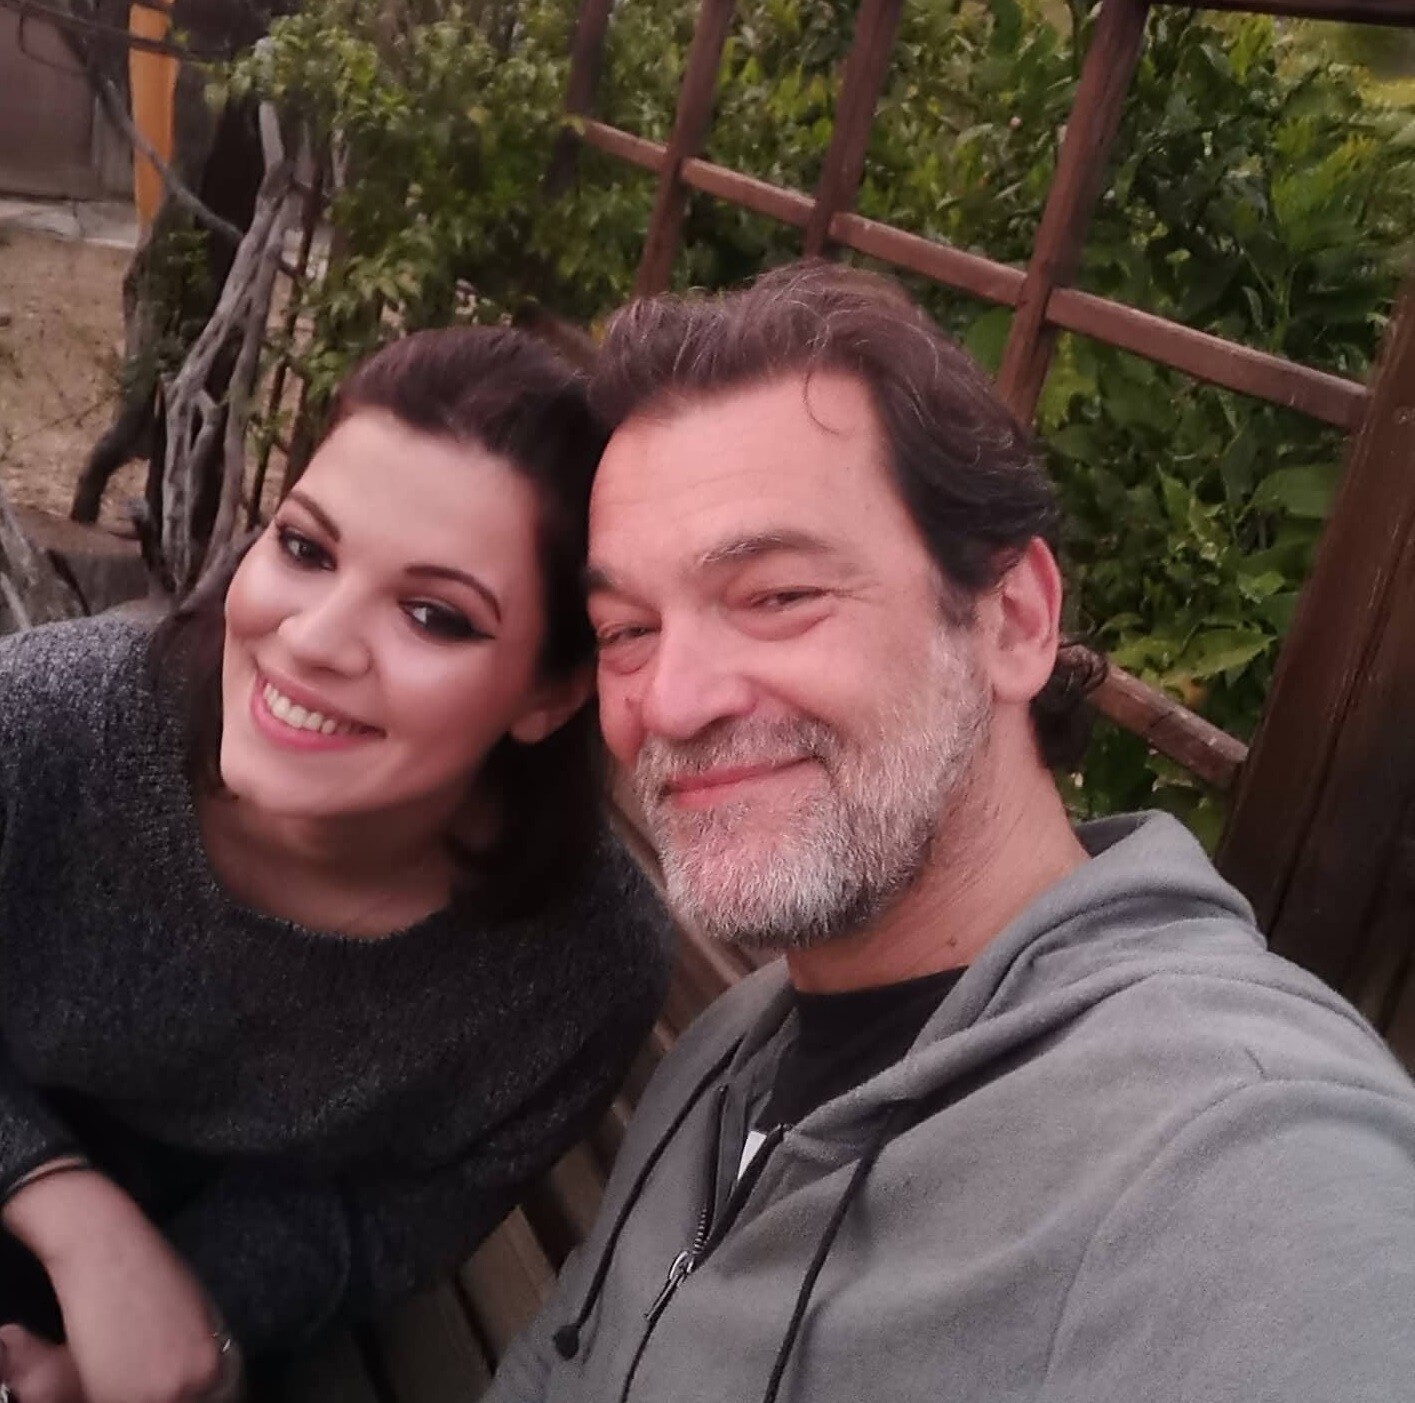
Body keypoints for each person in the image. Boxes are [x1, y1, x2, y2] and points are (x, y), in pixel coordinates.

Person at [484, 262, 1415, 1403]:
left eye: (777, 595)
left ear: (1013, 620)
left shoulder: (1239, 1157)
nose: (670, 702)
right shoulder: (733, 1045)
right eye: (625, 628)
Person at [0, 327, 673, 1403]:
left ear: (550, 694)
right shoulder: (47, 724)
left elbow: (391, 1216)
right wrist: (61, 1200)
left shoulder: (579, 968)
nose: (313, 638)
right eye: (306, 548)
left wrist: (181, 1320)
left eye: (434, 615)